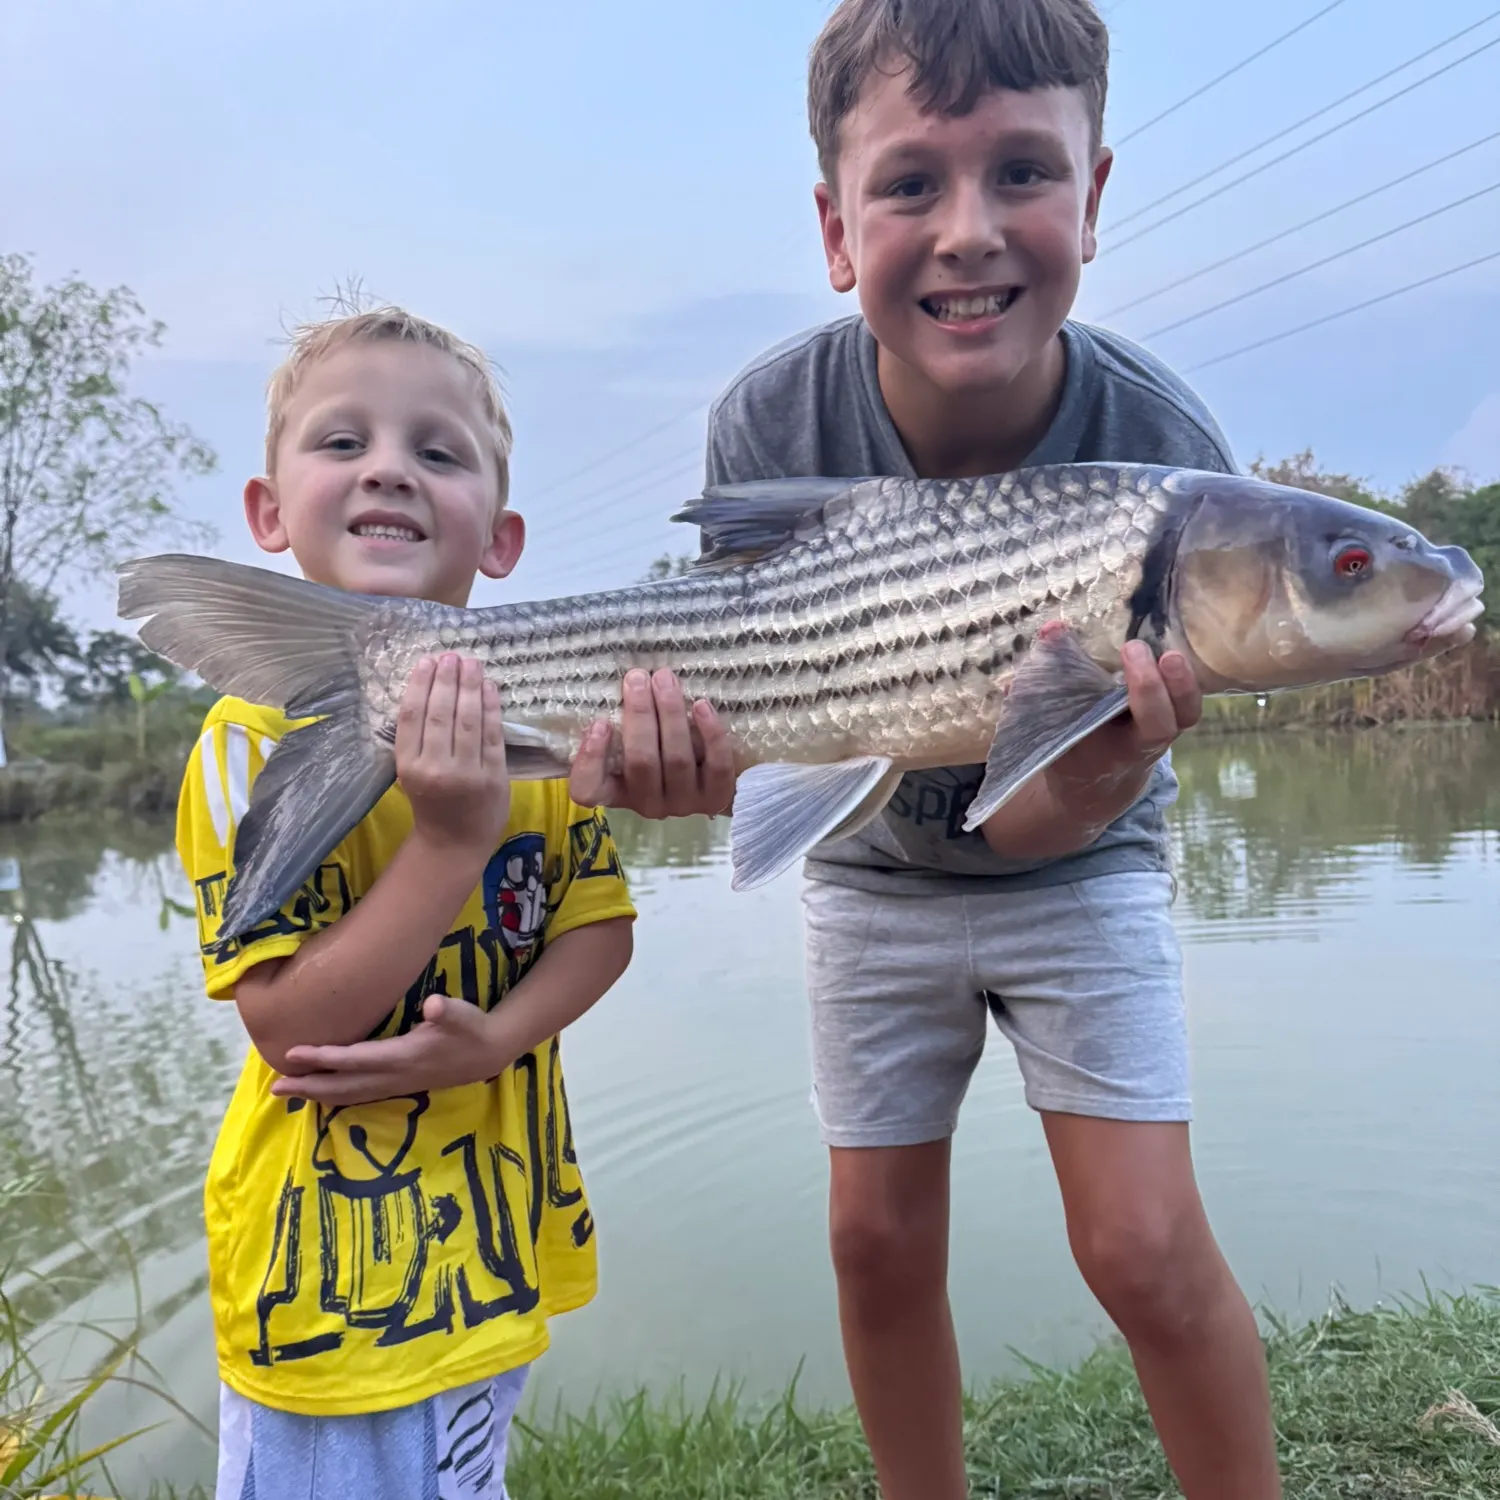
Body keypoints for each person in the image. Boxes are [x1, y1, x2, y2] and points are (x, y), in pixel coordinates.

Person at [567, 1, 1283, 1495]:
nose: (970, 230)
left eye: (1024, 172)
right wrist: (702, 766)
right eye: (912, 185)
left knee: (1145, 1246)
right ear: (837, 231)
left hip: (1085, 854)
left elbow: (1036, 826)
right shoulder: (770, 414)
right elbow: (756, 700)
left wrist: (1085, 775)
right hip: (874, 869)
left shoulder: (1170, 460)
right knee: (873, 1239)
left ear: (1092, 199)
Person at [175, 304, 637, 1500]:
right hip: (328, 1302)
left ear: (502, 536)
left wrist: (499, 1038)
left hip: (494, 1263)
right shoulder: (241, 749)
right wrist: (447, 843)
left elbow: (600, 927)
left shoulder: (541, 736)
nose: (390, 466)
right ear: (268, 513)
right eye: (343, 442)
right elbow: (286, 1023)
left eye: (439, 452)